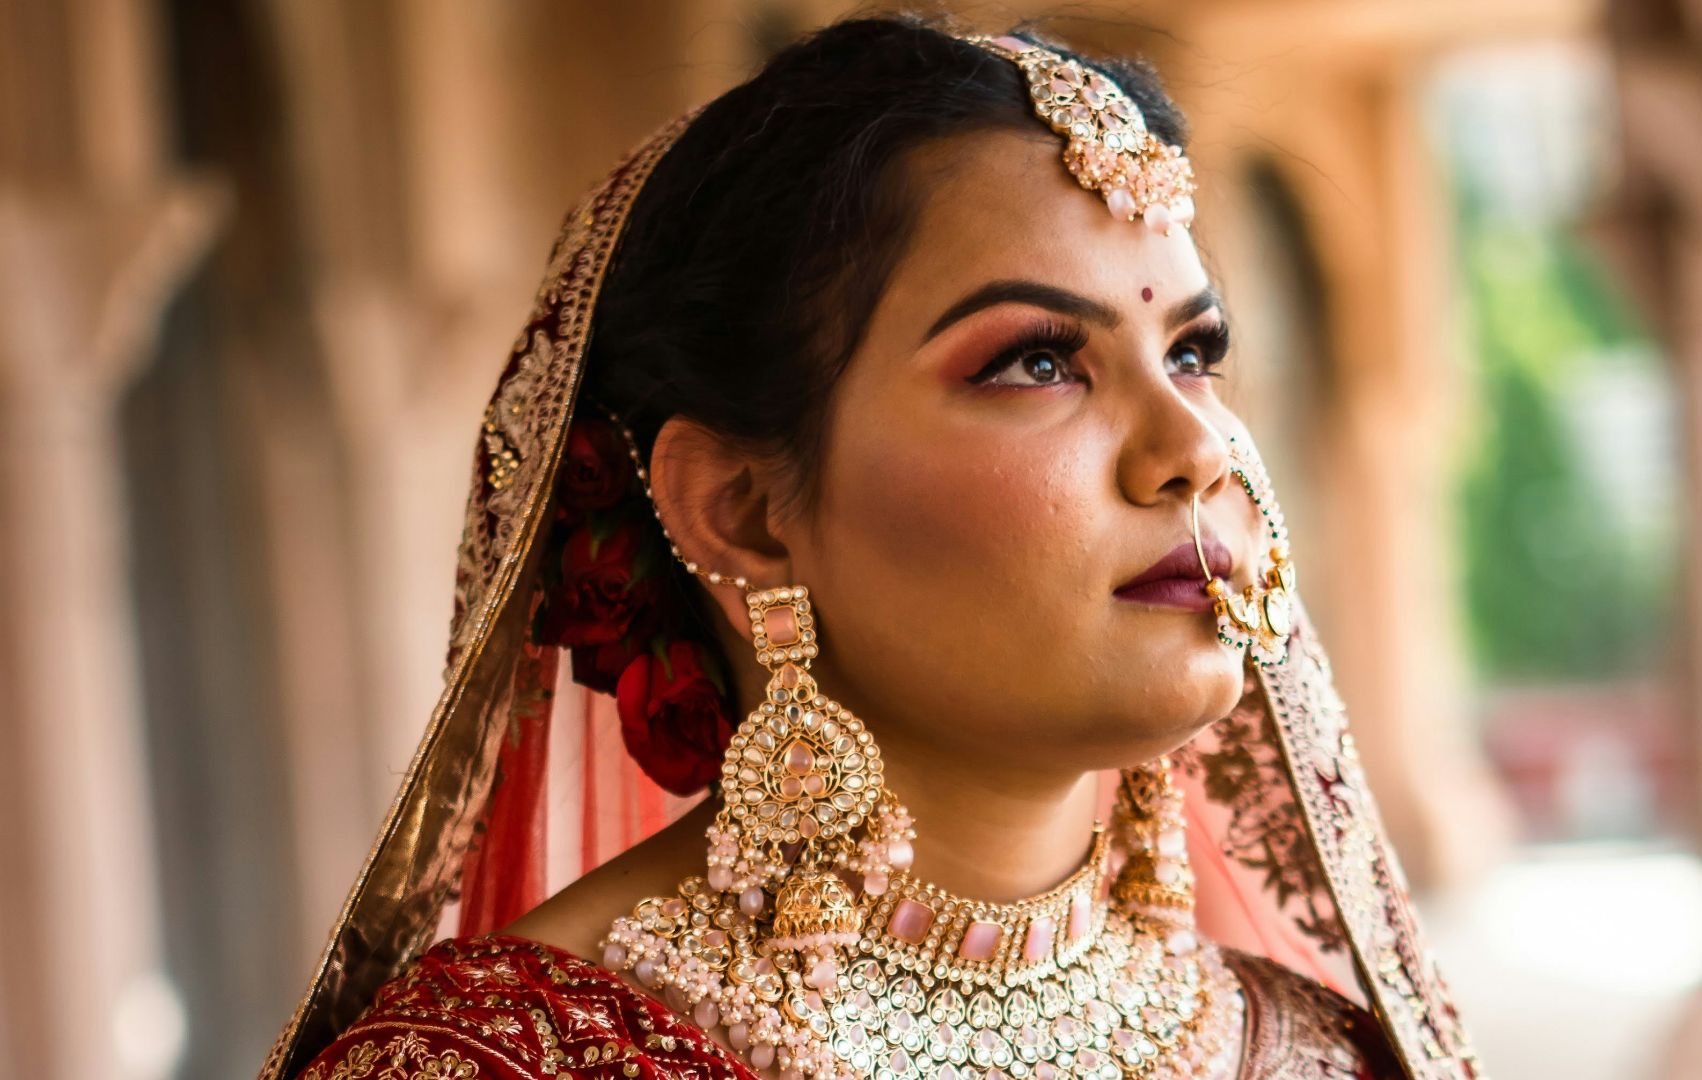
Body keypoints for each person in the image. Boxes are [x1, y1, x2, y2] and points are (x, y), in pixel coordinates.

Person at [260, 16, 1480, 1080]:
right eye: (1039, 361)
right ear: (741, 508)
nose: (1196, 448)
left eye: (1194, 354)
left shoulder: (1320, 1055)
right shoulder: (499, 1066)